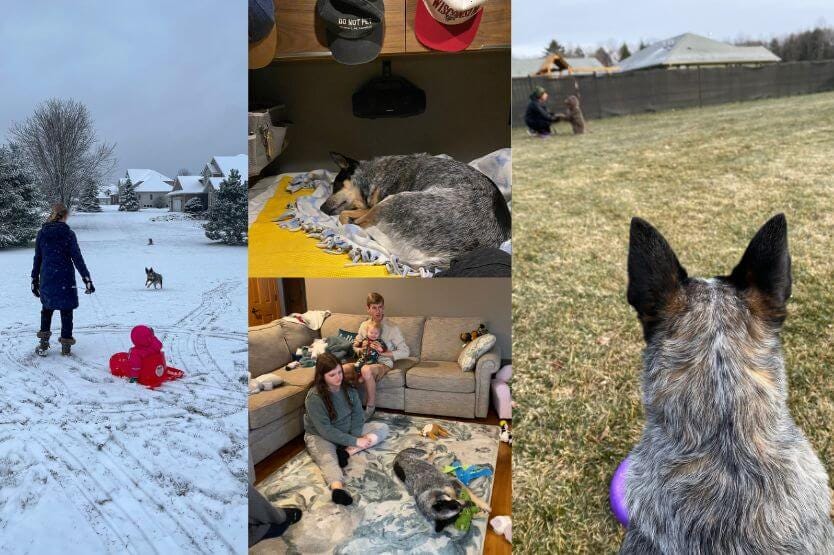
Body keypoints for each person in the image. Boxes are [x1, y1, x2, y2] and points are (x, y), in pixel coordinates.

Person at [304, 353, 389, 506]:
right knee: (328, 458)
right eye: (332, 375)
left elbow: (358, 415)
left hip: (347, 429)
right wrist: (355, 441)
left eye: (339, 372)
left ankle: (346, 452)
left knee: (382, 428)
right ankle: (338, 489)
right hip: (321, 435)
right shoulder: (314, 398)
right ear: (322, 376)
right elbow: (326, 431)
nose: (338, 377)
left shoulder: (348, 389)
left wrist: (354, 436)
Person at [31, 203, 95, 356]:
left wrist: (34, 279)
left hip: (47, 277)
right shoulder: (69, 234)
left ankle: (43, 344)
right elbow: (77, 258)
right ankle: (66, 347)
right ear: (65, 216)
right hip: (65, 277)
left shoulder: (42, 233)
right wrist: (87, 279)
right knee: (66, 311)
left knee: (47, 310)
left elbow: (37, 258)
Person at [343, 292, 409, 419]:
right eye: (374, 308)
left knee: (365, 370)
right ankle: (345, 406)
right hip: (364, 359)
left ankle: (370, 408)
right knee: (342, 369)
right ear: (368, 309)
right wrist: (361, 348)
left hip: (382, 363)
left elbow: (405, 351)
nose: (378, 311)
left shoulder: (392, 328)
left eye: (380, 307)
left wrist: (383, 352)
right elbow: (355, 345)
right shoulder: (364, 326)